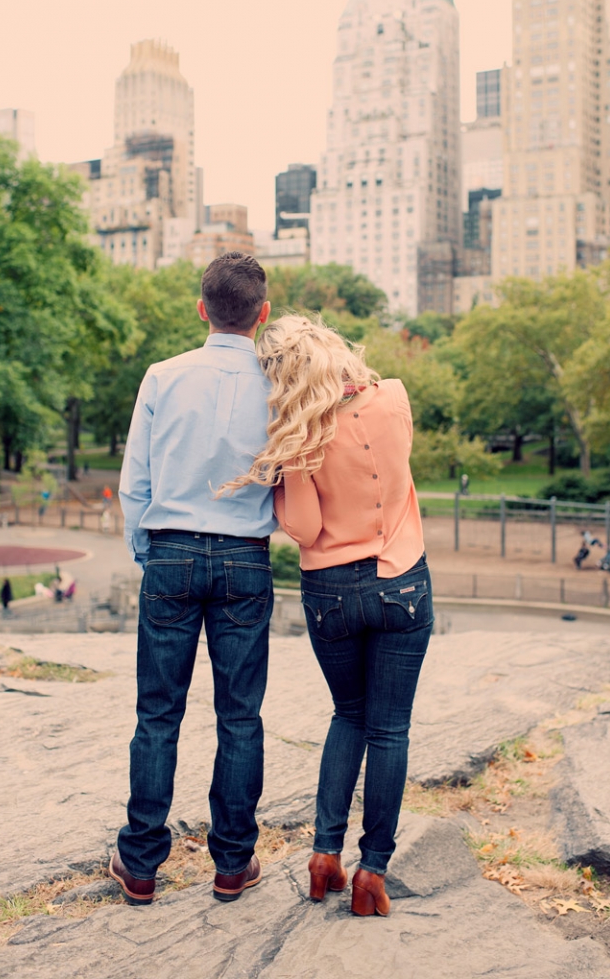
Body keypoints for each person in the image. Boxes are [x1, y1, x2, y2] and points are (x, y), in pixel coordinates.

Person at [225, 316, 433, 919]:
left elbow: (305, 529)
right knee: (390, 730)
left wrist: (293, 466)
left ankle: (323, 858)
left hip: (331, 592)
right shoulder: (393, 396)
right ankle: (373, 870)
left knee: (348, 715)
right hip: (402, 581)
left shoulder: (299, 435)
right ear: (335, 350)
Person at [111, 252, 275, 909]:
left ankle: (142, 863)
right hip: (245, 558)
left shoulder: (162, 376)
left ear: (201, 309)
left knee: (158, 714)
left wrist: (148, 557)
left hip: (172, 552)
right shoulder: (280, 384)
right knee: (240, 717)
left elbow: (134, 483)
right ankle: (232, 863)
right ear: (262, 315)